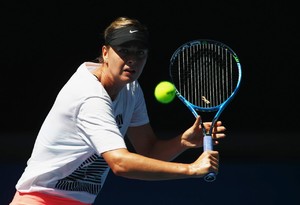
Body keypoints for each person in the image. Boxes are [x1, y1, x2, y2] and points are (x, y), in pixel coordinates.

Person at [10, 16, 226, 205]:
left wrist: (183, 142)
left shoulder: (131, 90)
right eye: (123, 51)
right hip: (39, 200)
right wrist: (191, 169)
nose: (132, 59)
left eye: (140, 52)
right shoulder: (89, 95)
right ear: (105, 53)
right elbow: (121, 164)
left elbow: (148, 151)